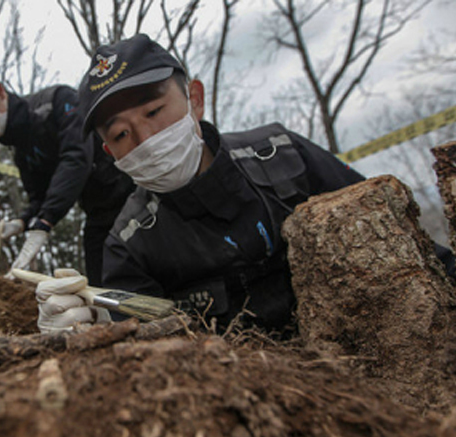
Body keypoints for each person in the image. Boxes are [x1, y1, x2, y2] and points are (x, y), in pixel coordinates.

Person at [32, 33, 371, 334]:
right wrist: (95, 329)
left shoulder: (282, 153)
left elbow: (379, 222)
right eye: (122, 133)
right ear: (110, 152)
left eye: (153, 112)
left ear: (194, 99)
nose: (146, 138)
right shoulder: (129, 246)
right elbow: (145, 357)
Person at [0, 71, 134, 284]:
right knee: (99, 283)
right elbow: (39, 196)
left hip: (133, 195)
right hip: (98, 214)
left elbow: (77, 156)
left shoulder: (57, 102)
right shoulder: (21, 150)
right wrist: (21, 222)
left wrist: (45, 221)